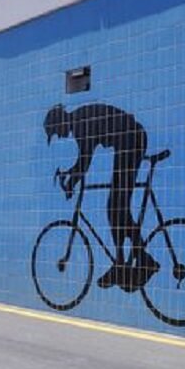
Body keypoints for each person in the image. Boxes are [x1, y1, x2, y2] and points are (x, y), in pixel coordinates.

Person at [44, 103, 159, 290]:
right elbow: (83, 161)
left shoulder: (81, 123)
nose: (59, 136)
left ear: (60, 122)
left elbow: (84, 161)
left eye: (56, 132)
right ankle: (132, 261)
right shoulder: (79, 121)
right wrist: (71, 176)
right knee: (117, 208)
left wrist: (71, 183)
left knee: (116, 207)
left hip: (131, 140)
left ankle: (129, 263)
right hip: (129, 141)